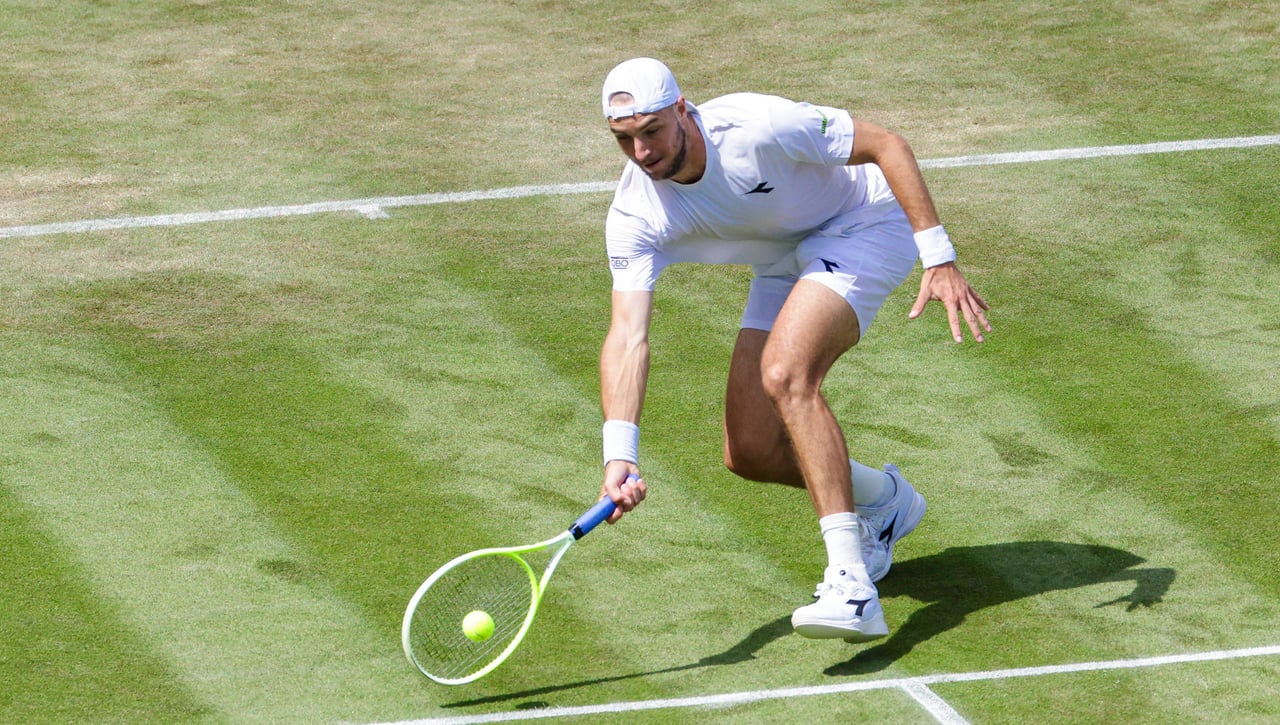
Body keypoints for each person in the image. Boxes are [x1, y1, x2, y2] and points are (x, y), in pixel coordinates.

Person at [594, 57, 990, 642]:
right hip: (785, 256)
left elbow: (888, 144)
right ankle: (886, 501)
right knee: (750, 450)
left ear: (683, 109)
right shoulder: (635, 213)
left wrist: (940, 256)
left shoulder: (757, 126)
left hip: (864, 223)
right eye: (625, 140)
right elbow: (628, 336)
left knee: (785, 373)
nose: (643, 153)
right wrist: (618, 454)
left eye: (651, 131)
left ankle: (852, 585)